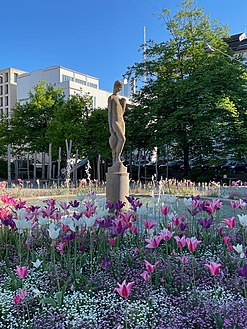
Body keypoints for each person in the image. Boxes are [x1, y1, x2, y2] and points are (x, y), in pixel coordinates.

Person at [108, 80, 127, 163]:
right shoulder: (111, 98)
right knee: (122, 139)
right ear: (115, 86)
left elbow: (122, 113)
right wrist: (110, 127)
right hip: (115, 121)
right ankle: (117, 157)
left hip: (121, 121)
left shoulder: (120, 100)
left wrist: (124, 104)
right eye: (119, 87)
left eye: (121, 88)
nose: (119, 89)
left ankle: (116, 157)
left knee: (120, 140)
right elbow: (109, 113)